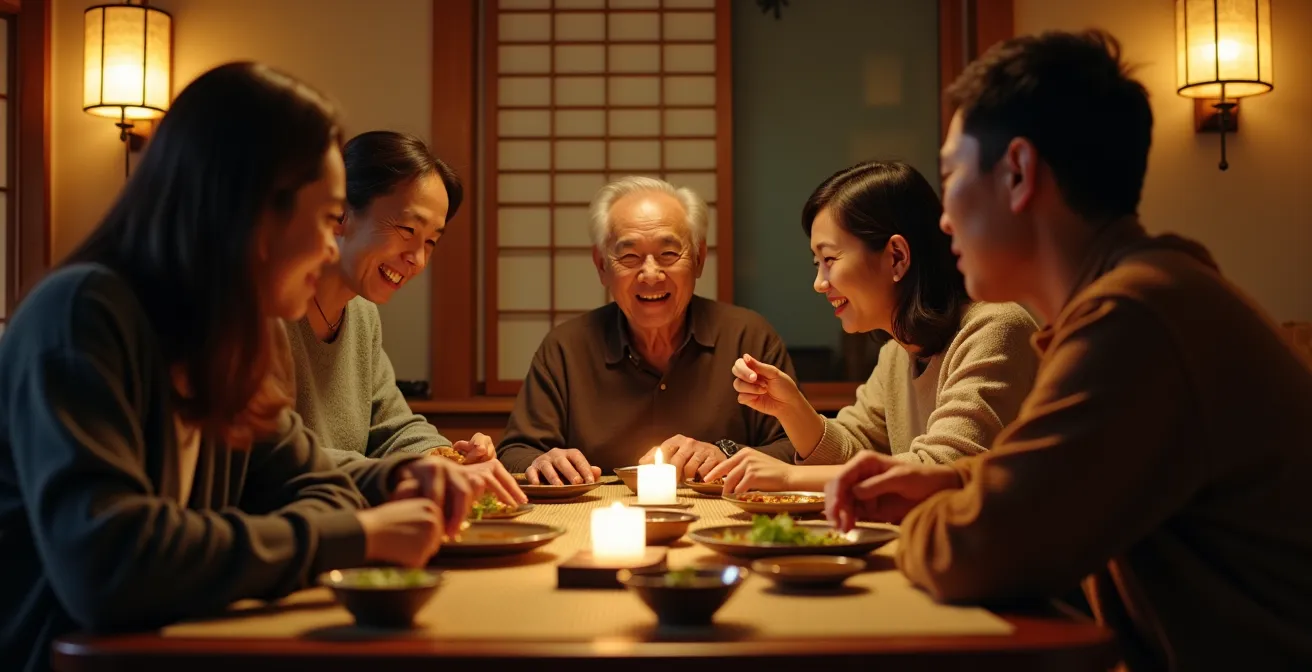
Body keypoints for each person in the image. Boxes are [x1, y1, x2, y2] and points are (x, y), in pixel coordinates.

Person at [825, 31, 1312, 670]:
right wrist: (945, 481)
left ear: (1020, 174)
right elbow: (1053, 483)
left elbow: (982, 550)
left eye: (952, 176)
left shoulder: (1136, 318)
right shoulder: (1145, 295)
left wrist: (917, 522)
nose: (943, 220)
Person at [0, 63, 470, 672]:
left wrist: (391, 481)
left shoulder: (232, 333)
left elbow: (316, 484)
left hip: (190, 642)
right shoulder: (83, 317)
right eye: (329, 218)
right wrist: (359, 535)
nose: (333, 247)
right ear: (250, 208)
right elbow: (110, 565)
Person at [706, 160, 1038, 494]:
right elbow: (853, 449)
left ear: (896, 257)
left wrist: (788, 477)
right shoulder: (898, 352)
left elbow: (946, 467)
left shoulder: (994, 329)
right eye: (816, 264)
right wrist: (790, 408)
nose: (819, 283)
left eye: (830, 260)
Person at [498, 177, 798, 484]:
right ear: (602, 265)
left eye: (668, 254)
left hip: (723, 524)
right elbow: (514, 453)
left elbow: (795, 447)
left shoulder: (748, 337)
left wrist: (727, 453)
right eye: (629, 256)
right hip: (597, 522)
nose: (651, 273)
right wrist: (543, 461)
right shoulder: (566, 347)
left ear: (698, 259)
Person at [287, 130, 524, 507]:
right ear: (341, 213)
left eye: (431, 240)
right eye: (407, 230)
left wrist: (447, 458)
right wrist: (401, 474)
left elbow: (393, 426)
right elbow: (270, 457)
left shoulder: (361, 316)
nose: (418, 258)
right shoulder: (271, 310)